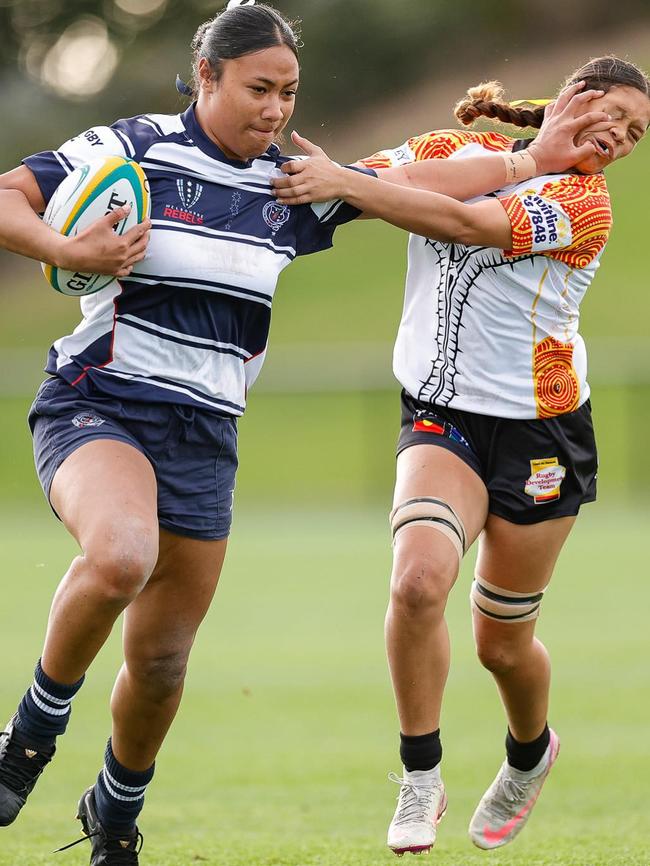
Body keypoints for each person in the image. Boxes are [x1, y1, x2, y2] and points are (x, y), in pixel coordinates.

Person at [0, 2, 615, 857]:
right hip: (101, 402)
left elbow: (408, 190)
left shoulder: (285, 186)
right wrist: (64, 251)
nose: (276, 110)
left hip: (208, 435)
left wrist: (525, 158)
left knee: (164, 663)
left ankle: (116, 816)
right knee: (120, 554)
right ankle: (26, 740)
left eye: (289, 93)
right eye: (259, 89)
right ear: (206, 75)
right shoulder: (135, 146)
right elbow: (9, 198)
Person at [272, 56, 650, 855]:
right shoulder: (449, 153)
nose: (621, 135)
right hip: (443, 418)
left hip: (543, 433)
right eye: (613, 111)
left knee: (501, 644)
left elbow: (456, 221)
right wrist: (318, 183)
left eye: (637, 133)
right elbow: (362, 190)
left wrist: (346, 180)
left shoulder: (584, 203)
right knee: (416, 582)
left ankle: (528, 754)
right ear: (569, 99)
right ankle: (420, 776)